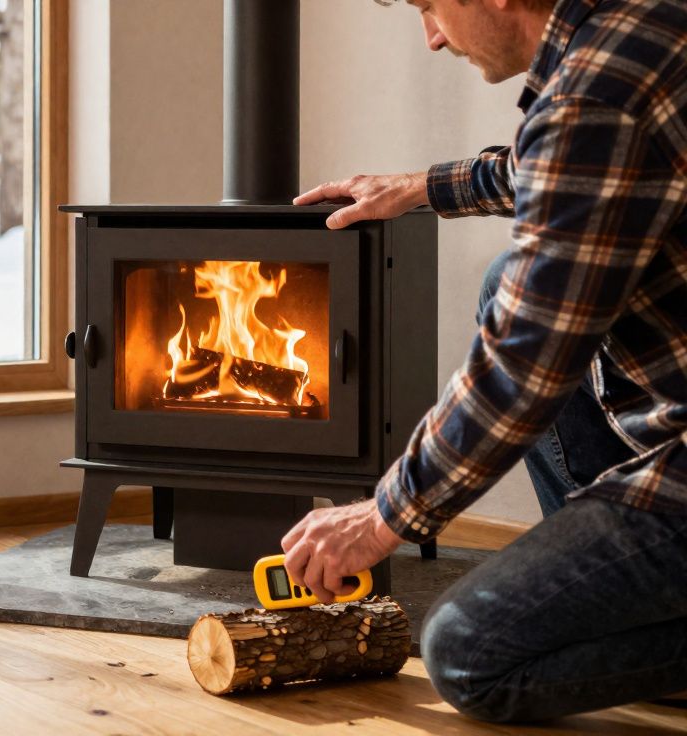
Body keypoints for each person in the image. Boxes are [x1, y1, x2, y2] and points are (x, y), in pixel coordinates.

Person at [283, 0, 687, 723]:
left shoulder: (595, 97)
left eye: (429, 6)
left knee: (468, 652)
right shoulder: (643, 32)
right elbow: (564, 174)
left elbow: (520, 369)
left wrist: (383, 518)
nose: (432, 38)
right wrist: (420, 187)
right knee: (507, 278)